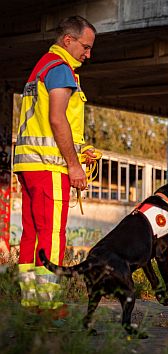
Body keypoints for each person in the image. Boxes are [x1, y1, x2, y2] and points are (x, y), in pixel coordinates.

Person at [13, 15, 96, 320]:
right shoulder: (60, 70)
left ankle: (30, 300)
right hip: (50, 166)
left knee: (32, 233)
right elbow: (57, 119)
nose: (88, 54)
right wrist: (74, 166)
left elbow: (59, 126)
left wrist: (82, 149)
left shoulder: (42, 67)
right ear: (68, 40)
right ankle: (47, 305)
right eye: (85, 47)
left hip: (28, 162)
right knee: (52, 234)